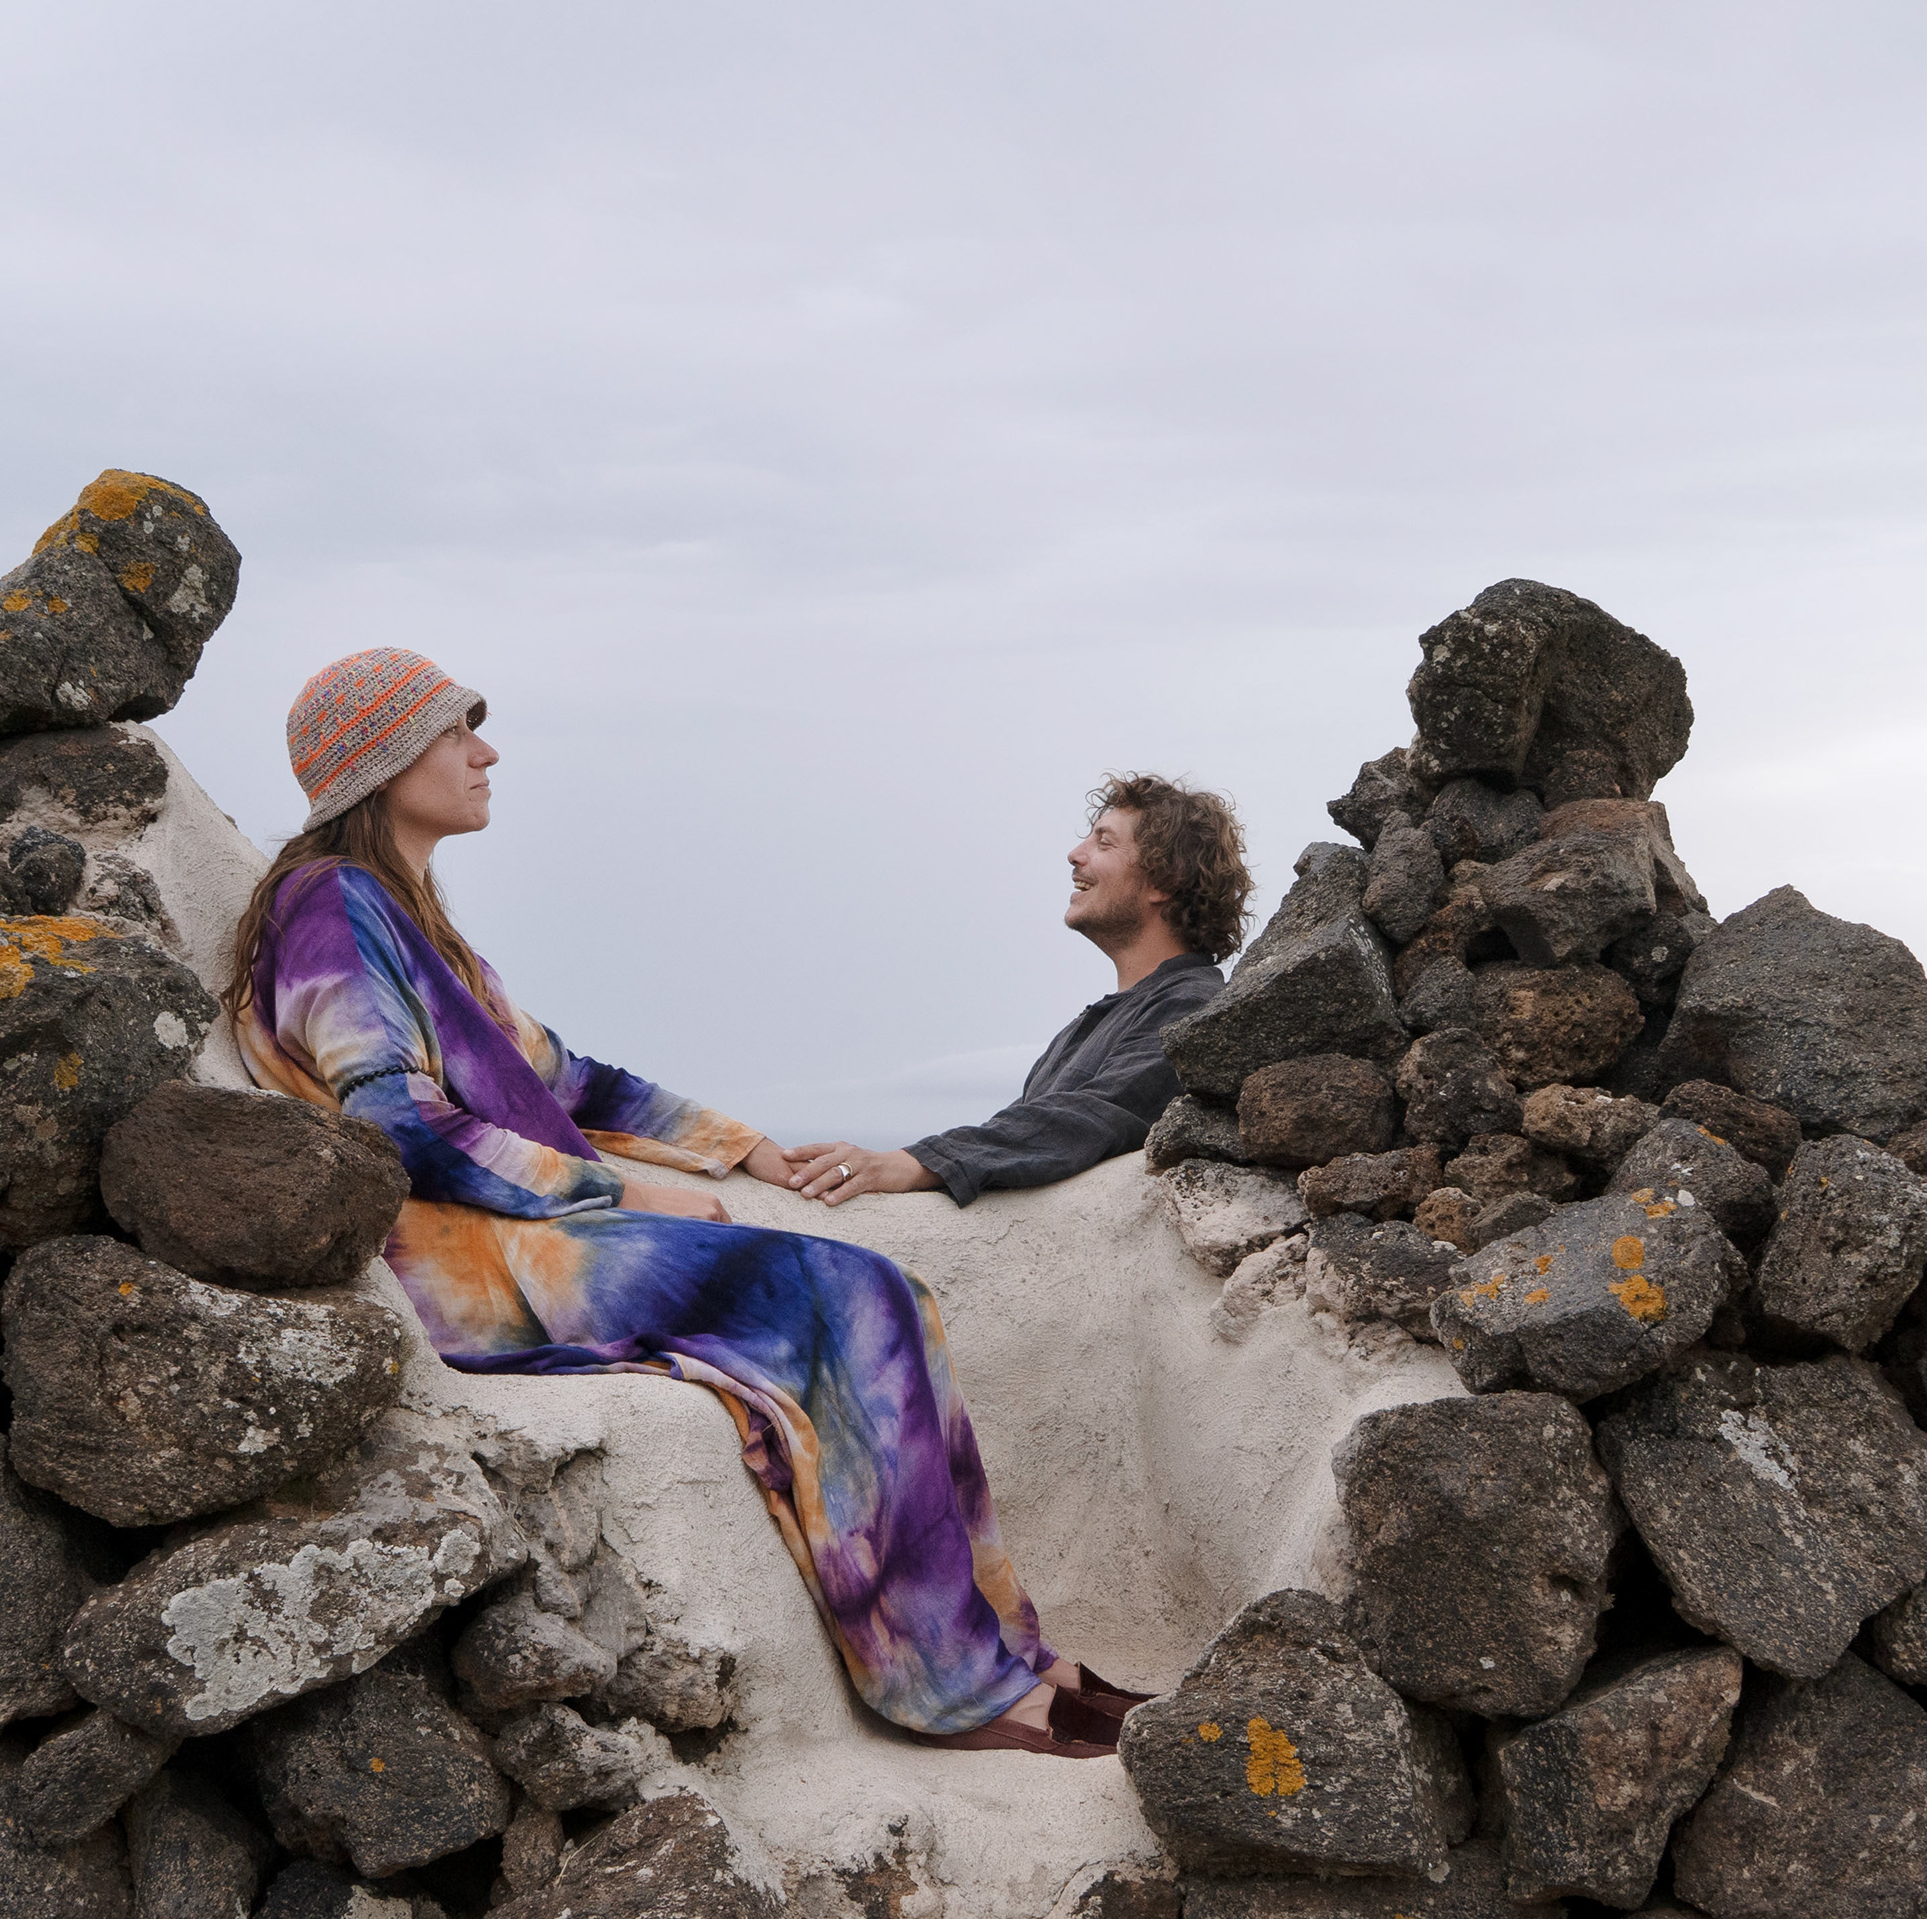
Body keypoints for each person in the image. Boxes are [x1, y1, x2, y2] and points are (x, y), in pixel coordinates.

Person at [224, 648, 1148, 1757]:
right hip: (475, 1268)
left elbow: (565, 1078)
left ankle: (1002, 1644)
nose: (486, 752)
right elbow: (399, 1127)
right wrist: (622, 1187)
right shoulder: (330, 902)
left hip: (528, 1233)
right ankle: (941, 1678)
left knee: (892, 1291)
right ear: (379, 764)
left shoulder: (415, 919)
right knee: (838, 1294)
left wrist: (738, 1144)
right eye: (451, 733)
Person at [779, 775, 1245, 1208]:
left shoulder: (1193, 1009)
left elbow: (1093, 1117)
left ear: (1164, 880)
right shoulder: (1086, 1027)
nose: (1075, 854)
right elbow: (1016, 1133)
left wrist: (912, 1162)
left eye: (1103, 842)